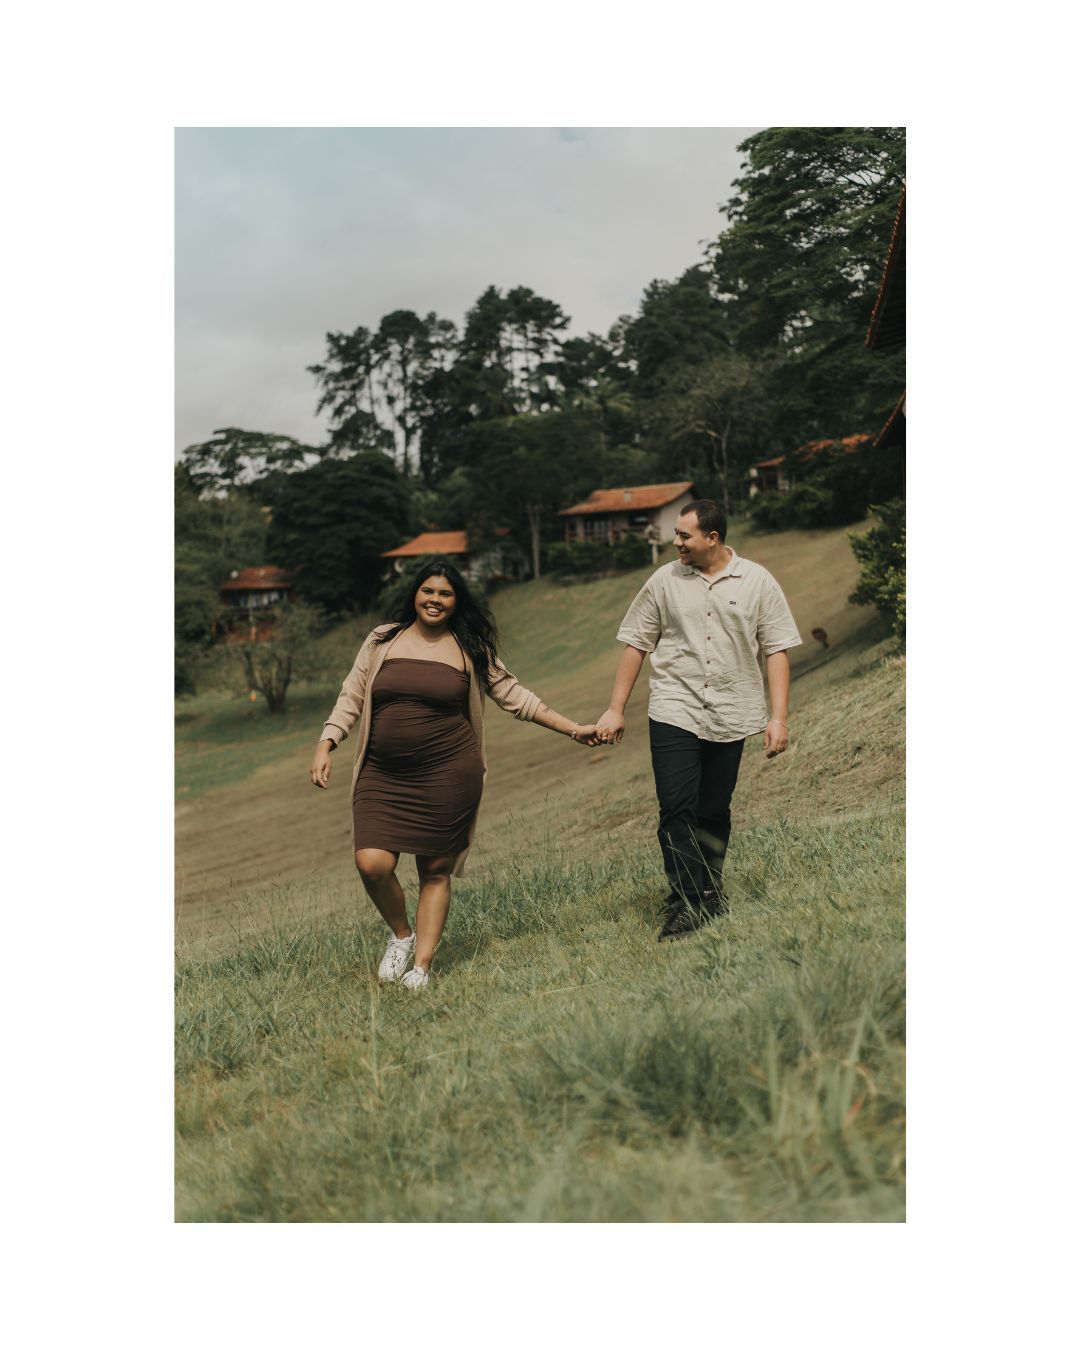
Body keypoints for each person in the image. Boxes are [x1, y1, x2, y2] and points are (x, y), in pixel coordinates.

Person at [309, 559, 604, 988]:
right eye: (428, 591)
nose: (435, 600)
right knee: (371, 863)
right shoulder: (382, 640)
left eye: (445, 594)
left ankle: (422, 968)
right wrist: (326, 742)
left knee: (435, 868)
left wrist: (574, 729)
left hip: (447, 773)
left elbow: (515, 696)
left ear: (456, 600)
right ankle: (401, 936)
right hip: (383, 773)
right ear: (415, 593)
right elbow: (351, 695)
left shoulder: (470, 646)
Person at [595, 500, 801, 941]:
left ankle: (709, 889)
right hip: (674, 707)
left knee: (713, 809)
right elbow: (635, 643)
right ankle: (687, 900)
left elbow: (776, 649)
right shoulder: (664, 580)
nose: (675, 542)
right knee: (676, 806)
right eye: (676, 534)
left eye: (684, 535)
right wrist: (615, 708)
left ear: (713, 537)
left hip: (732, 709)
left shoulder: (757, 581)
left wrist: (778, 718)